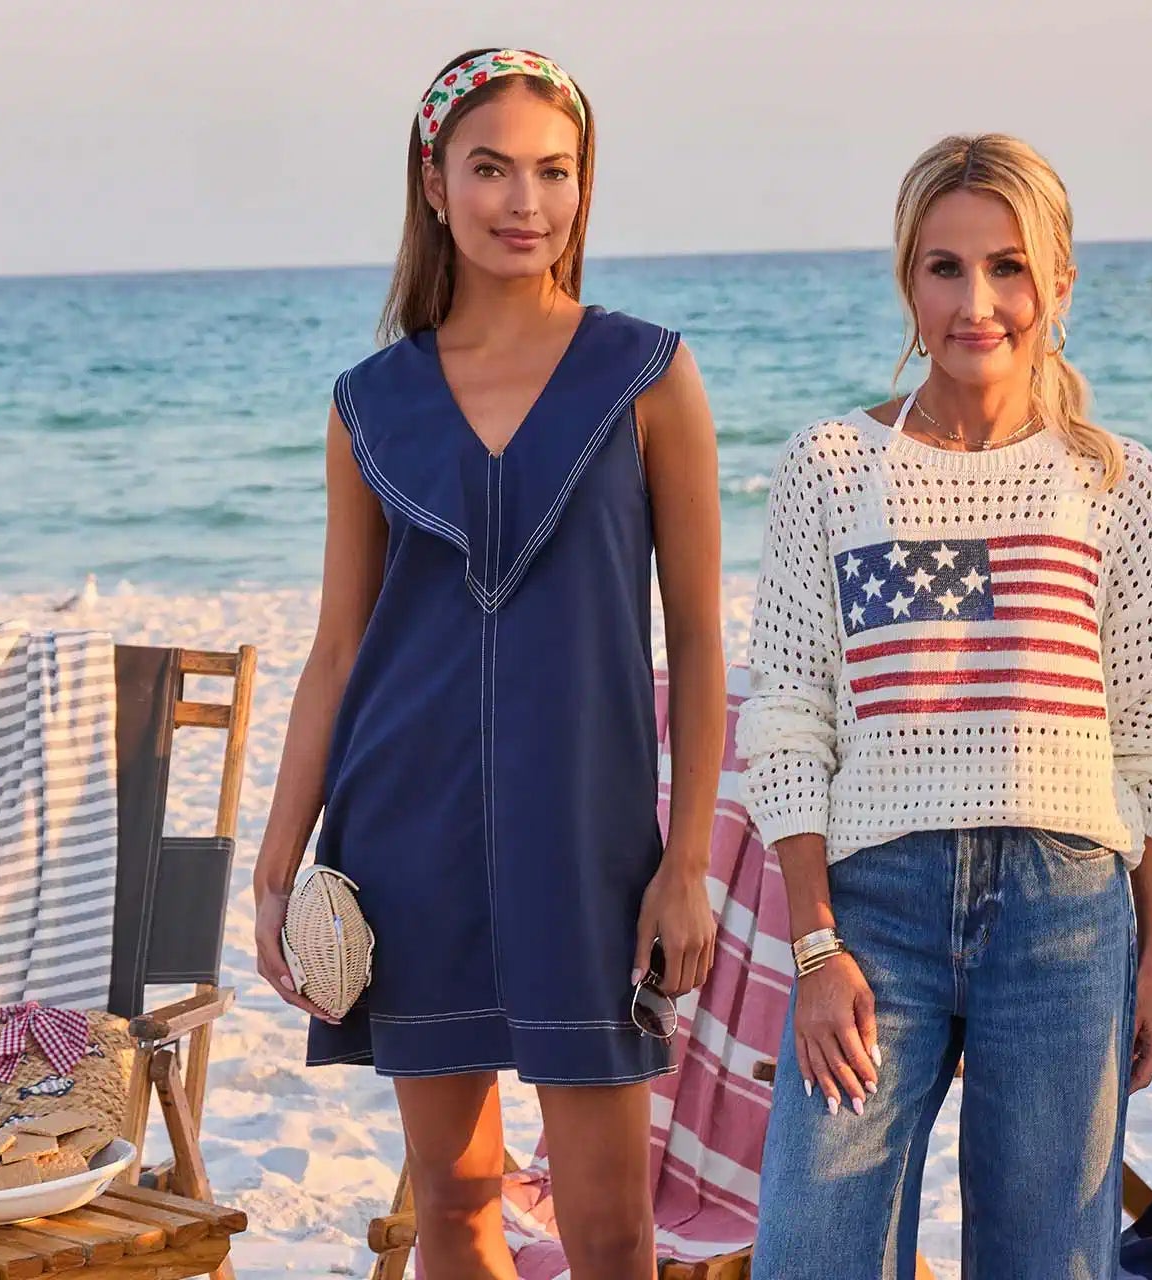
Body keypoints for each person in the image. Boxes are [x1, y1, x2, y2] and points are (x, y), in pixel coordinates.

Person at [247, 48, 726, 1278]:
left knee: (614, 1229)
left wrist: (684, 862)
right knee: (456, 1205)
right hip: (408, 835)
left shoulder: (650, 373)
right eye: (493, 168)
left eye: (554, 172)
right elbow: (340, 647)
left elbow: (700, 637)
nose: (527, 202)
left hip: (588, 843)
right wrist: (273, 862)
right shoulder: (368, 404)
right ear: (435, 182)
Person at [739, 133, 1152, 1279]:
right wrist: (814, 945)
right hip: (871, 916)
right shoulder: (834, 465)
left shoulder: (1113, 478)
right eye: (944, 268)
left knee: (1048, 1258)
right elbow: (788, 714)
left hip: (1065, 913)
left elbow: (1151, 731)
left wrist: (1149, 961)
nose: (976, 301)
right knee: (813, 1253)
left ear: (1059, 282)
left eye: (1007, 266)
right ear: (908, 280)